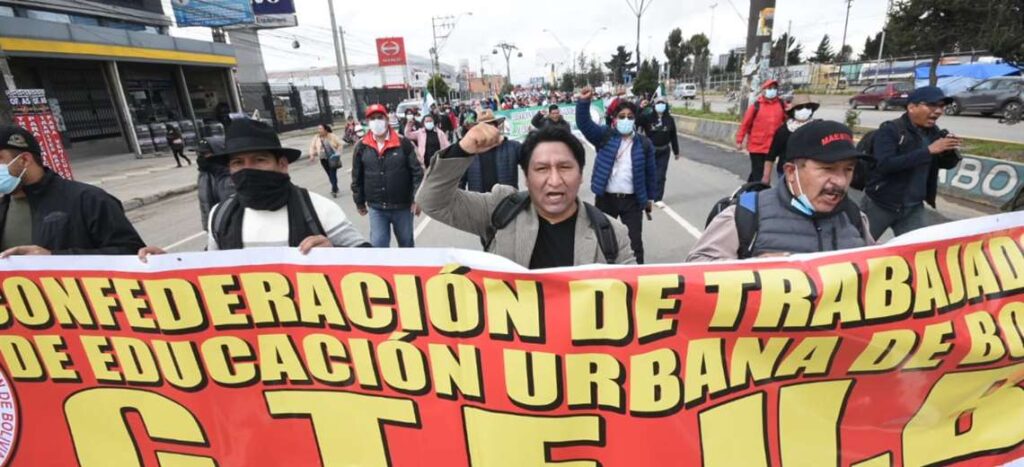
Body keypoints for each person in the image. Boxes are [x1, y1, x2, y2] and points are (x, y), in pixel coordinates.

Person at [139, 119, 367, 260]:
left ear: (282, 165)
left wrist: (336, 256)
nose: (247, 170)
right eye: (238, 163)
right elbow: (210, 271)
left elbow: (373, 262)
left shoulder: (320, 209)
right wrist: (169, 269)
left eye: (259, 160)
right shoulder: (220, 215)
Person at [417, 124, 635, 268]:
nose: (555, 180)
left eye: (565, 167)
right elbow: (431, 201)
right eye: (541, 169)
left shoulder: (612, 234)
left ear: (580, 175)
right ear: (526, 177)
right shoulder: (499, 208)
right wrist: (462, 150)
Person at [688, 121, 875, 262]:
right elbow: (696, 271)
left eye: (848, 169)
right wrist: (752, 270)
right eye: (827, 169)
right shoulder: (745, 215)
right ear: (791, 172)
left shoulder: (855, 218)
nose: (840, 181)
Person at [0, 125, 145, 256]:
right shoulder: (3, 207)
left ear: (24, 160)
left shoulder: (89, 199)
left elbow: (130, 253)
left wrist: (54, 257)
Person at [860, 86, 962, 239]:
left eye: (941, 106)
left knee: (916, 251)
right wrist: (928, 151)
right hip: (881, 203)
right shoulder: (890, 130)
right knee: (858, 247)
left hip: (913, 207)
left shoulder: (934, 132)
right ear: (912, 107)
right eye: (932, 105)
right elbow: (885, 164)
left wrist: (948, 151)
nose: (939, 111)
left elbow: (944, 164)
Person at [576, 86, 657, 264]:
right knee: (604, 242)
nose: (626, 120)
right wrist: (583, 102)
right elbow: (584, 124)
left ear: (635, 120)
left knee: (634, 244)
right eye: (621, 117)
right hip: (606, 199)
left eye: (630, 117)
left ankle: (637, 279)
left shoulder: (644, 144)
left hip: (632, 202)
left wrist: (650, 198)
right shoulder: (605, 136)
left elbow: (651, 173)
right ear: (614, 120)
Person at [351, 104, 424, 248]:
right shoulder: (361, 146)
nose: (376, 121)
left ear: (386, 119)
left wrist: (417, 199)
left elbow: (417, 172)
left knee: (406, 244)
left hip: (402, 206)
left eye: (380, 117)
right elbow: (357, 176)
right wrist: (359, 201)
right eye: (372, 118)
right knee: (378, 246)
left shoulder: (403, 143)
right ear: (368, 122)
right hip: (377, 208)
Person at [736, 80, 786, 183]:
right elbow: (745, 124)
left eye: (774, 88)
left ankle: (747, 190)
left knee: (758, 173)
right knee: (759, 174)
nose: (772, 90)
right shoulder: (756, 106)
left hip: (772, 147)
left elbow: (788, 121)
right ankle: (760, 194)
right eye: (769, 88)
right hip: (757, 146)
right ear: (763, 91)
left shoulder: (781, 105)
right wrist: (739, 140)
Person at [461, 110, 523, 193]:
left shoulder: (513, 147)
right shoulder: (468, 152)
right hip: (478, 203)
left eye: (489, 126)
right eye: (483, 127)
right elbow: (459, 182)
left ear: (496, 127)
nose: (486, 131)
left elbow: (533, 164)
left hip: (508, 202)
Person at [638, 98, 680, 206]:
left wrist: (676, 151)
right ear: (654, 105)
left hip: (664, 150)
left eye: (663, 103)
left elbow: (673, 136)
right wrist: (640, 107)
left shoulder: (669, 119)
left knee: (660, 175)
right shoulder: (648, 118)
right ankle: (646, 195)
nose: (660, 105)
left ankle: (658, 198)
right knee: (649, 173)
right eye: (658, 103)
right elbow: (636, 120)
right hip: (650, 150)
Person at [767, 95, 820, 179]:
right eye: (800, 108)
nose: (804, 110)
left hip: (810, 173)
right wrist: (766, 177)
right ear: (793, 111)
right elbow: (771, 155)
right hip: (786, 173)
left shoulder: (818, 127)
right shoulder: (784, 130)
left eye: (808, 107)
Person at [195, 136, 234, 232]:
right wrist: (207, 228)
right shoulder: (204, 175)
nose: (200, 157)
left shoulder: (233, 175)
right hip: (214, 230)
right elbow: (204, 205)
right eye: (199, 154)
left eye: (205, 153)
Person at [308, 124, 344, 197]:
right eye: (318, 129)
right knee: (329, 174)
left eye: (321, 129)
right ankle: (335, 187)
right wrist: (312, 155)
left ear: (325, 129)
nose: (319, 130)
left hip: (332, 157)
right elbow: (312, 146)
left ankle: (334, 190)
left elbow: (340, 144)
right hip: (323, 158)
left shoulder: (332, 136)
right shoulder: (316, 137)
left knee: (332, 173)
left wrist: (338, 153)